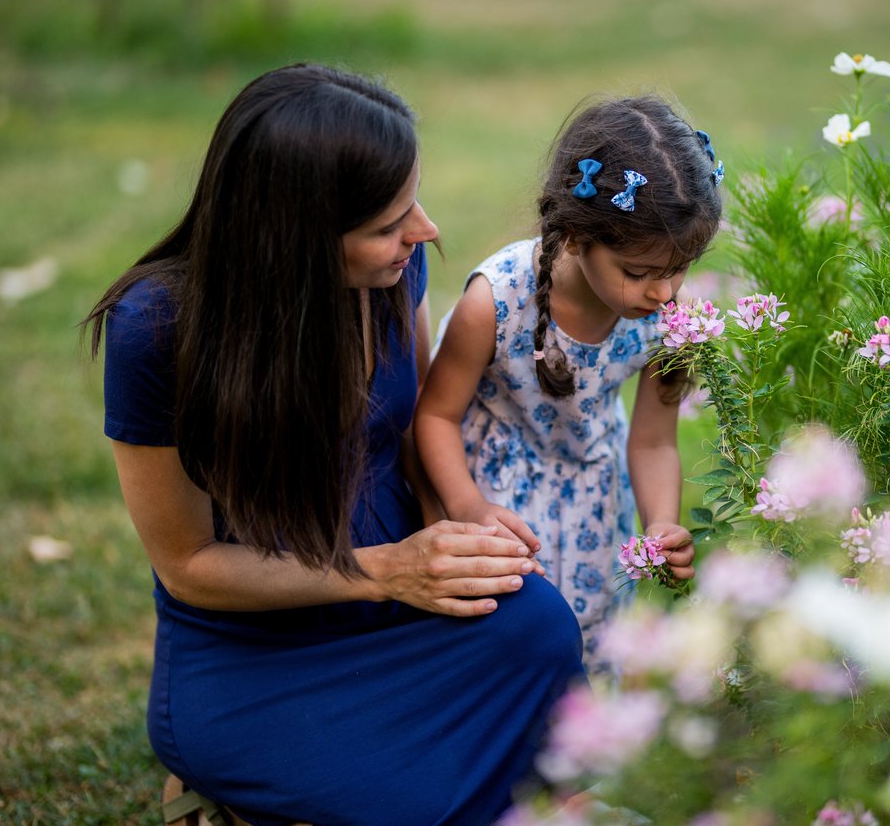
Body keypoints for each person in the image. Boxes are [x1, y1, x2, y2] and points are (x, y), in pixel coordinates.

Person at [83, 63, 585, 826]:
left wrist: (454, 518)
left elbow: (416, 426)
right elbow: (187, 566)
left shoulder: (393, 273)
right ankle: (241, 786)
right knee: (406, 799)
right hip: (256, 632)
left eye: (412, 202)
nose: (424, 232)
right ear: (294, 239)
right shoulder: (156, 329)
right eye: (388, 223)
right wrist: (384, 571)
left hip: (395, 589)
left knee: (541, 630)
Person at [413, 95, 724, 663]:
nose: (664, 293)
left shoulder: (667, 320)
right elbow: (434, 416)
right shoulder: (496, 301)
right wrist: (468, 506)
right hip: (498, 500)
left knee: (590, 655)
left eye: (680, 268)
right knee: (504, 652)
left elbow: (654, 440)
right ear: (579, 236)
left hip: (596, 508)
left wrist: (660, 523)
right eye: (639, 272)